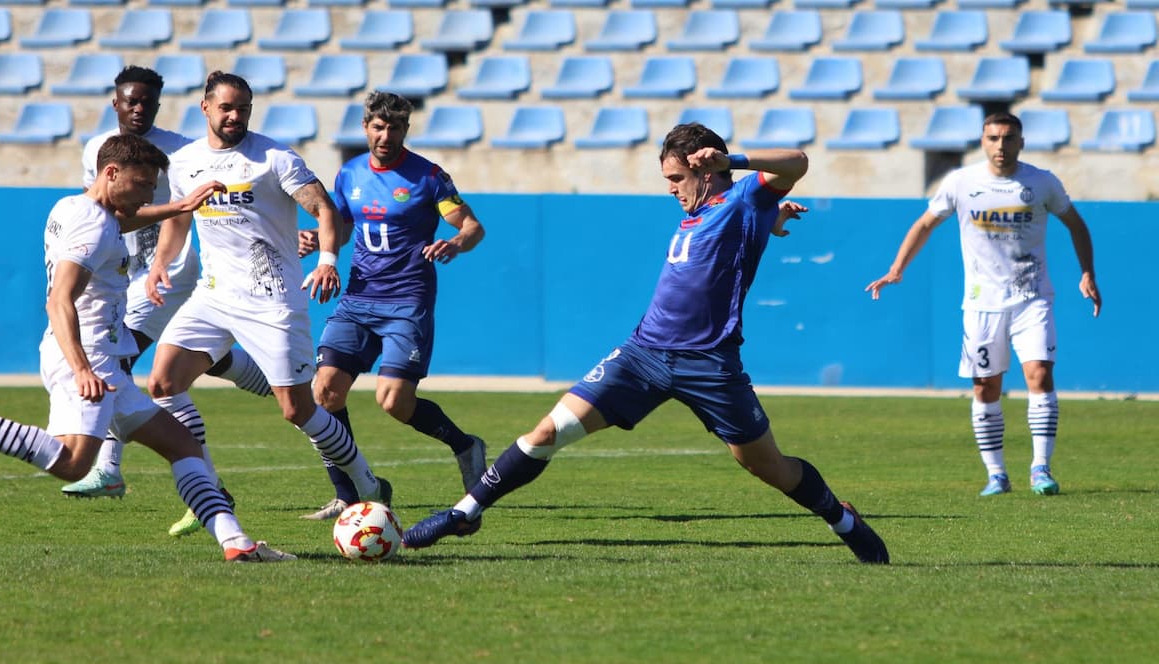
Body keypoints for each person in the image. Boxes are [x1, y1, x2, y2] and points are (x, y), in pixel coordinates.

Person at [402, 123, 890, 565]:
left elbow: (799, 161)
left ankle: (842, 520)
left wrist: (734, 163)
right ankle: (463, 512)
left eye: (676, 178)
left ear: (706, 166)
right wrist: (772, 221)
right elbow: (746, 230)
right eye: (668, 181)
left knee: (767, 467)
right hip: (643, 354)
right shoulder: (720, 211)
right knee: (549, 431)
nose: (672, 190)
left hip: (710, 363)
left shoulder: (744, 196)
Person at [0, 134, 292, 562]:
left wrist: (179, 206)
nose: (149, 194)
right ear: (111, 173)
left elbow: (118, 224)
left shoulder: (74, 207)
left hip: (104, 362)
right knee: (74, 463)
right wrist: (82, 369)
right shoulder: (94, 225)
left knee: (183, 446)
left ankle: (238, 545)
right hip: (89, 360)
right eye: (142, 184)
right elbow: (59, 299)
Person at [146, 71, 389, 536]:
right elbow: (179, 219)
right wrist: (161, 262)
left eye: (243, 109)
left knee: (297, 409)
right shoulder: (184, 162)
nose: (235, 116)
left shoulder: (274, 157)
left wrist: (327, 259)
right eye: (227, 108)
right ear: (206, 108)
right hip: (213, 295)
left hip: (272, 300)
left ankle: (367, 481)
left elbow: (324, 209)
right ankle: (209, 490)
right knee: (162, 382)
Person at [63, 65, 275, 501]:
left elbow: (205, 208)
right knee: (204, 358)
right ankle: (277, 383)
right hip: (124, 274)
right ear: (115, 102)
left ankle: (110, 469)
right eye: (132, 100)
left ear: (159, 106)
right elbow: (102, 213)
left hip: (169, 273)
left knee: (117, 363)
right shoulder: (96, 150)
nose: (140, 108)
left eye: (149, 102)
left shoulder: (180, 151)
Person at [866, 111, 1100, 497]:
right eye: (994, 138)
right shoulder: (961, 182)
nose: (1001, 146)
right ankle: (996, 474)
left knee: (1039, 374)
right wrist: (896, 269)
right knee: (984, 387)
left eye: (1009, 138)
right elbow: (925, 223)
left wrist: (1087, 272)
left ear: (1021, 142)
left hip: (1033, 297)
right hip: (981, 304)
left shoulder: (1041, 183)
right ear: (983, 141)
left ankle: (1041, 468)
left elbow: (1076, 224)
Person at [299, 91, 488, 521]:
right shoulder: (349, 174)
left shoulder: (427, 178)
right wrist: (317, 242)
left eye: (395, 128)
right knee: (324, 392)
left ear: (406, 130)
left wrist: (456, 242)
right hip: (358, 297)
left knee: (394, 402)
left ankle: (465, 445)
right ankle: (349, 495)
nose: (386, 135)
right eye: (378, 127)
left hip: (407, 301)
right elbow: (343, 230)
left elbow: (472, 226)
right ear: (366, 127)